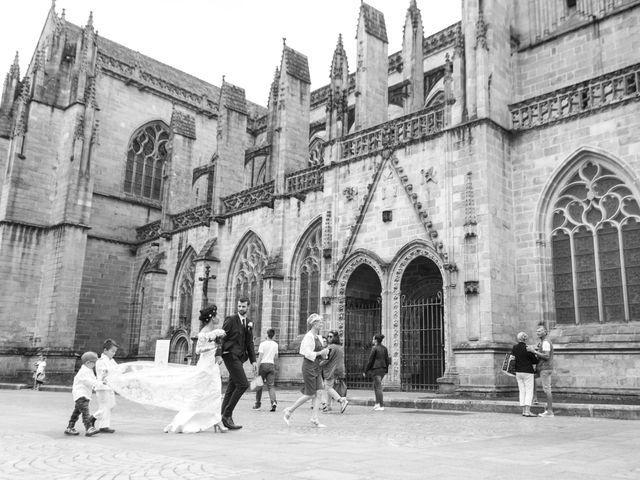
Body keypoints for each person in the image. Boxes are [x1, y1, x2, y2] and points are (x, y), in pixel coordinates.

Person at [108, 304, 228, 434]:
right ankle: (182, 421)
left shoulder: (217, 332)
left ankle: (217, 421)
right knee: (198, 395)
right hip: (205, 368)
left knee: (215, 393)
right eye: (216, 315)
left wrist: (218, 350)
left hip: (213, 367)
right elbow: (198, 350)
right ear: (211, 317)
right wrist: (212, 346)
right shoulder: (203, 333)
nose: (219, 318)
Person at [283, 313, 329, 427]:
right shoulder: (308, 336)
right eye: (320, 322)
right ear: (314, 324)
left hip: (316, 367)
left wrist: (325, 354)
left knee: (319, 392)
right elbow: (306, 353)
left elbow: (320, 353)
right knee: (310, 394)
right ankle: (289, 411)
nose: (321, 324)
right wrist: (320, 353)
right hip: (309, 367)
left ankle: (314, 418)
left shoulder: (318, 337)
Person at [218, 297, 257, 430]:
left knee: (232, 386)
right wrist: (219, 355)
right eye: (239, 306)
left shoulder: (249, 322)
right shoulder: (230, 320)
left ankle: (221, 415)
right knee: (243, 384)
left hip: (240, 357)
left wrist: (253, 361)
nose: (241, 308)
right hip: (230, 355)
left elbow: (249, 343)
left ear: (248, 307)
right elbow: (222, 338)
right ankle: (227, 415)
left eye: (243, 306)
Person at [64, 351, 100, 437]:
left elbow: (93, 380)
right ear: (88, 362)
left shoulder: (89, 370)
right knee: (85, 412)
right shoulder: (84, 371)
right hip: (81, 395)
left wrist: (99, 383)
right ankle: (89, 428)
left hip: (85, 395)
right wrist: (98, 383)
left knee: (76, 412)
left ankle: (70, 427)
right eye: (94, 363)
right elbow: (88, 381)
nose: (95, 365)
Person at [93, 339, 120, 433]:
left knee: (111, 405)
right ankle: (93, 419)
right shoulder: (101, 361)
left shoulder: (111, 361)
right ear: (105, 350)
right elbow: (104, 373)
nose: (114, 353)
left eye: (115, 352)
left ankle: (103, 425)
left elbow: (118, 369)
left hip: (109, 386)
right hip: (102, 387)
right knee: (105, 406)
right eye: (112, 351)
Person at [510, 331, 538, 417]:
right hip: (528, 371)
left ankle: (523, 411)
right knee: (529, 391)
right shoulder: (528, 348)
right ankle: (527, 411)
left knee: (522, 391)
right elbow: (535, 361)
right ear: (525, 339)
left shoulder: (514, 347)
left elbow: (512, 358)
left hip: (518, 372)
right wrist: (534, 352)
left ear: (518, 338)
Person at [320, 330, 348, 413]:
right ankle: (328, 406)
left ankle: (341, 400)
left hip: (332, 370)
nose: (329, 338)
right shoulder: (339, 347)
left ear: (335, 337)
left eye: (331, 336)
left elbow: (326, 359)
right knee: (330, 388)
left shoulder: (331, 347)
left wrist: (318, 364)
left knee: (328, 387)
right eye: (328, 336)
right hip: (338, 370)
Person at [530, 323, 554, 417]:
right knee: (532, 377)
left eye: (540, 331)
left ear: (545, 332)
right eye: (537, 331)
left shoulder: (546, 342)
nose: (538, 333)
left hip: (545, 368)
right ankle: (535, 398)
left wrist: (535, 352)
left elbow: (547, 356)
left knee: (547, 389)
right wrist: (537, 349)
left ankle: (550, 411)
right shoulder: (543, 342)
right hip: (542, 368)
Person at [253, 328, 279, 412]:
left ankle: (257, 404)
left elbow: (260, 357)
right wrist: (276, 366)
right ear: (273, 335)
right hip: (271, 365)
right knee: (271, 386)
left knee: (259, 385)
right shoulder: (275, 344)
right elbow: (276, 357)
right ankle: (273, 402)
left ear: (267, 335)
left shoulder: (262, 344)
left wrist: (256, 367)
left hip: (263, 365)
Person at [365, 334, 391, 411]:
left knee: (378, 387)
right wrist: (386, 370)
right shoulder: (384, 348)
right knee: (376, 386)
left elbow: (370, 360)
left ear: (376, 340)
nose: (372, 340)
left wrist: (366, 370)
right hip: (382, 369)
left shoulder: (374, 348)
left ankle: (381, 405)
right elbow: (387, 360)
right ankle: (377, 403)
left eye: (373, 339)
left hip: (376, 369)